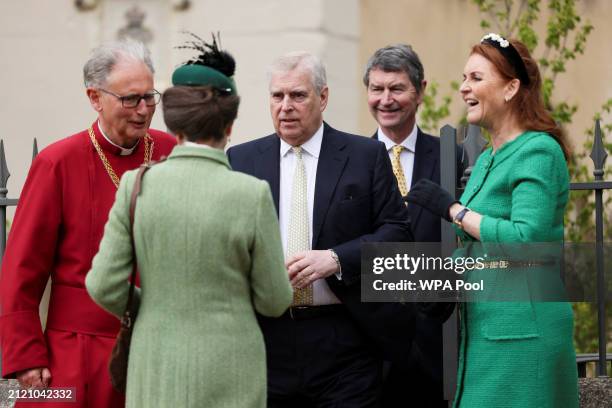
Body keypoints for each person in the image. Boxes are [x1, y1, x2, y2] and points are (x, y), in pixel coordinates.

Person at [86, 35, 293, 408]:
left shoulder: (137, 185)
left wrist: (151, 304)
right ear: (229, 127)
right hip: (232, 366)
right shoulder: (252, 193)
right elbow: (275, 300)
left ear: (174, 129)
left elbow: (103, 285)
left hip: (155, 364)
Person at [227, 51, 414, 407]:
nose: (286, 107)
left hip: (344, 337)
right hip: (268, 340)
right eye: (277, 96)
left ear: (323, 97)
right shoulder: (241, 160)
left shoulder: (365, 155)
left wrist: (336, 259)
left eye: (298, 95)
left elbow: (397, 233)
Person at [0, 40, 176, 407]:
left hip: (159, 347)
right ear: (95, 97)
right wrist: (27, 356)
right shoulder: (57, 163)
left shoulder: (171, 152)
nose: (144, 110)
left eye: (150, 97)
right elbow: (21, 270)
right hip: (77, 350)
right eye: (131, 99)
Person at [407, 33, 579, 407]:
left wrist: (454, 210)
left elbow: (525, 240)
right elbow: (480, 246)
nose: (463, 88)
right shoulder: (486, 158)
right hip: (485, 334)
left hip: (524, 338)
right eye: (463, 79)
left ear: (511, 87)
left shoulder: (538, 150)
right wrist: (443, 279)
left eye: (476, 78)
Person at [364, 44, 464, 408]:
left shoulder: (452, 156)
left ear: (420, 91)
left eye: (397, 89)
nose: (385, 100)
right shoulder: (352, 159)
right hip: (371, 343)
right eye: (377, 89)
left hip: (437, 337)